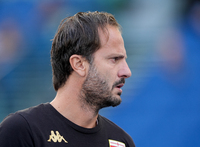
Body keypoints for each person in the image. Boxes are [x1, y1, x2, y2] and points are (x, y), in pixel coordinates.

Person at [0, 11, 135, 147]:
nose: (126, 72)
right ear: (79, 64)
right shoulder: (22, 131)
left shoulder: (121, 141)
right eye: (114, 59)